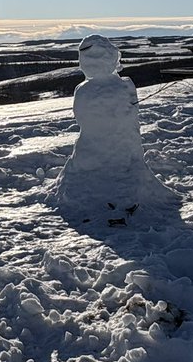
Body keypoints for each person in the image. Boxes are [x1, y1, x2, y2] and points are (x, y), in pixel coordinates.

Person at [52, 34, 180, 223]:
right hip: (120, 152)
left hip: (91, 152)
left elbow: (80, 116)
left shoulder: (83, 90)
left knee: (93, 172)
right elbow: (130, 117)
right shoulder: (124, 86)